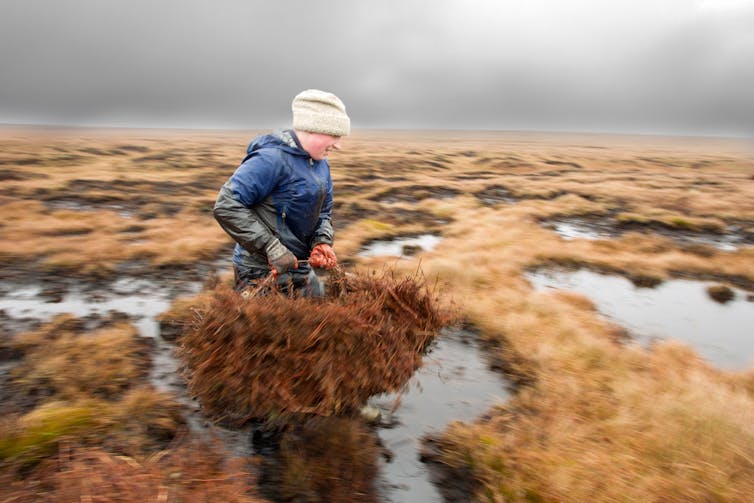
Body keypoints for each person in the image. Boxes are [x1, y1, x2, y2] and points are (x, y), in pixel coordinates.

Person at [213, 89, 349, 296]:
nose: (338, 145)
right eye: (334, 135)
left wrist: (321, 242)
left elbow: (324, 212)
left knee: (312, 324)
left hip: (301, 268)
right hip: (261, 271)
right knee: (262, 328)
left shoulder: (322, 164)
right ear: (311, 128)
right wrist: (271, 247)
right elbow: (227, 205)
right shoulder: (271, 159)